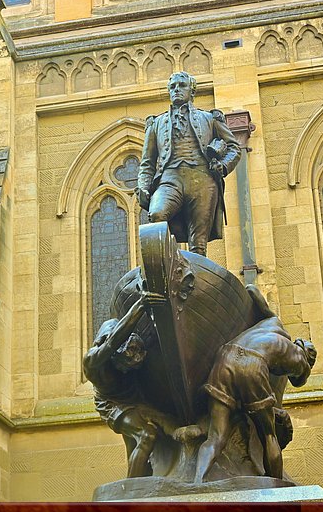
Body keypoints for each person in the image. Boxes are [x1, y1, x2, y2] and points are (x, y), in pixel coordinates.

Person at [83, 285, 198, 477]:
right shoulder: (94, 361)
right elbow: (113, 342)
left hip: (137, 399)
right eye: (127, 364)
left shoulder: (129, 343)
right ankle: (130, 495)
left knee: (149, 439)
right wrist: (141, 303)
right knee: (147, 435)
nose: (132, 367)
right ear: (114, 356)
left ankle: (142, 480)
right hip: (113, 404)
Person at [193, 307, 317, 483]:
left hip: (226, 355)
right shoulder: (300, 359)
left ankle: (198, 482)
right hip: (252, 363)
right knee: (268, 435)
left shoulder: (274, 323)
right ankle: (276, 486)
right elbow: (299, 381)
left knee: (216, 437)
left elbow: (251, 288)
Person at [136, 71, 241, 256]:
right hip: (170, 178)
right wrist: (143, 187)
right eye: (172, 87)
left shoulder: (210, 118)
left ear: (192, 91)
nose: (176, 89)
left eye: (181, 85)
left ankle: (196, 279)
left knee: (198, 241)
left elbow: (234, 147)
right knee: (157, 214)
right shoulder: (156, 123)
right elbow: (147, 163)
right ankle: (165, 266)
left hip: (202, 179)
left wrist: (223, 166)